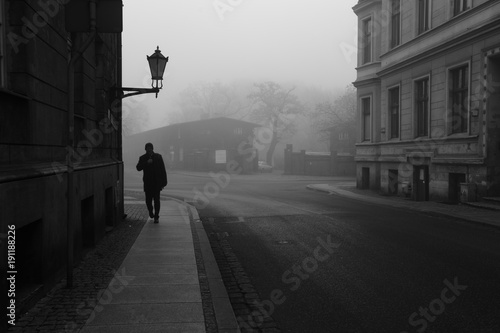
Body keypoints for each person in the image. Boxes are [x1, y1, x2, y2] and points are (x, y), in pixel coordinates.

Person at [136, 142, 168, 223]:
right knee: (148, 200)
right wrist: (146, 163)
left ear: (152, 149)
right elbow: (138, 168)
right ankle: (150, 211)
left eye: (150, 148)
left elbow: (162, 170)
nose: (149, 150)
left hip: (157, 183)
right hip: (148, 183)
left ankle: (156, 216)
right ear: (145, 149)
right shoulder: (143, 158)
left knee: (157, 200)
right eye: (147, 148)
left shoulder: (158, 157)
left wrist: (164, 182)